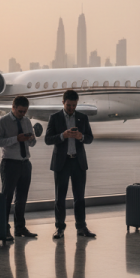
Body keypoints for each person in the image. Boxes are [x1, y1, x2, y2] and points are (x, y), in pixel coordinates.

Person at [45, 89, 95, 240]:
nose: (72, 108)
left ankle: (81, 227)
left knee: (79, 197)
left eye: (74, 105)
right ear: (63, 103)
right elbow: (47, 139)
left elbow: (90, 138)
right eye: (69, 105)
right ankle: (59, 228)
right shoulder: (55, 118)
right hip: (62, 163)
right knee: (60, 198)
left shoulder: (82, 118)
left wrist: (81, 137)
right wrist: (63, 135)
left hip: (78, 163)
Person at [0, 96, 38, 240]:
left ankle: (20, 227)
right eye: (20, 111)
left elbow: (32, 144)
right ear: (13, 107)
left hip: (25, 163)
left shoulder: (27, 121)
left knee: (22, 198)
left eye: (25, 112)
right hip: (10, 164)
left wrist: (31, 139)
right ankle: (4, 228)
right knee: (7, 198)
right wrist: (15, 139)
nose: (23, 114)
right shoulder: (2, 122)